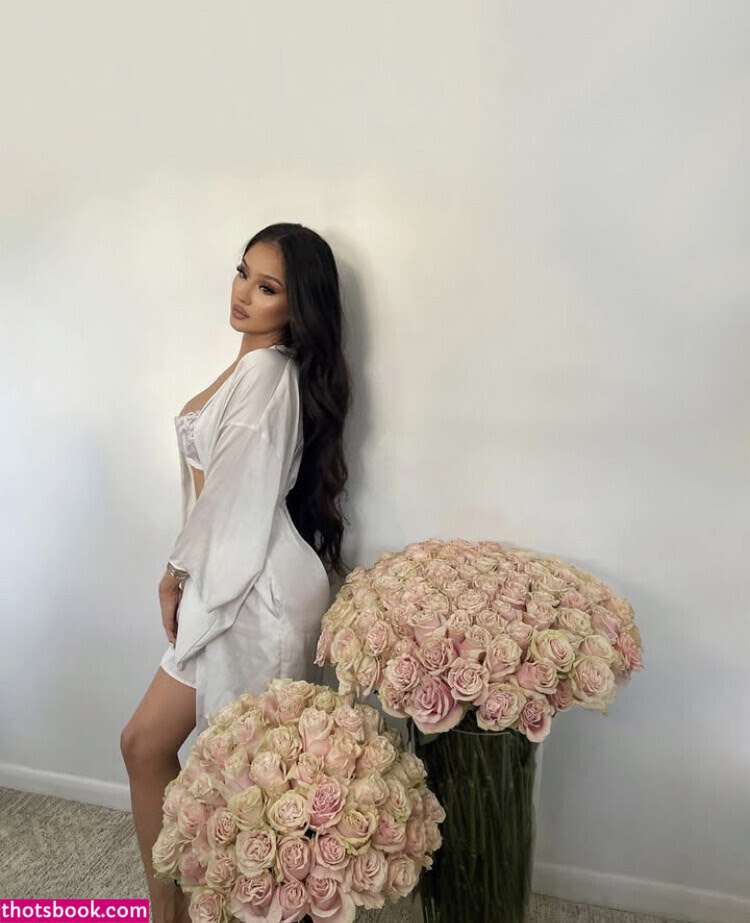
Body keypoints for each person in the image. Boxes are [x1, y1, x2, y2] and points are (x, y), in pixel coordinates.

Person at [120, 223, 351, 923]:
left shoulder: (265, 374)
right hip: (232, 572)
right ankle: (173, 913)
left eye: (268, 286)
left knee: (252, 785)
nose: (244, 293)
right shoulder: (256, 365)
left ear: (297, 306)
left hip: (255, 589)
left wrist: (175, 570)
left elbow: (231, 494)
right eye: (243, 272)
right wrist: (184, 569)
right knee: (159, 750)